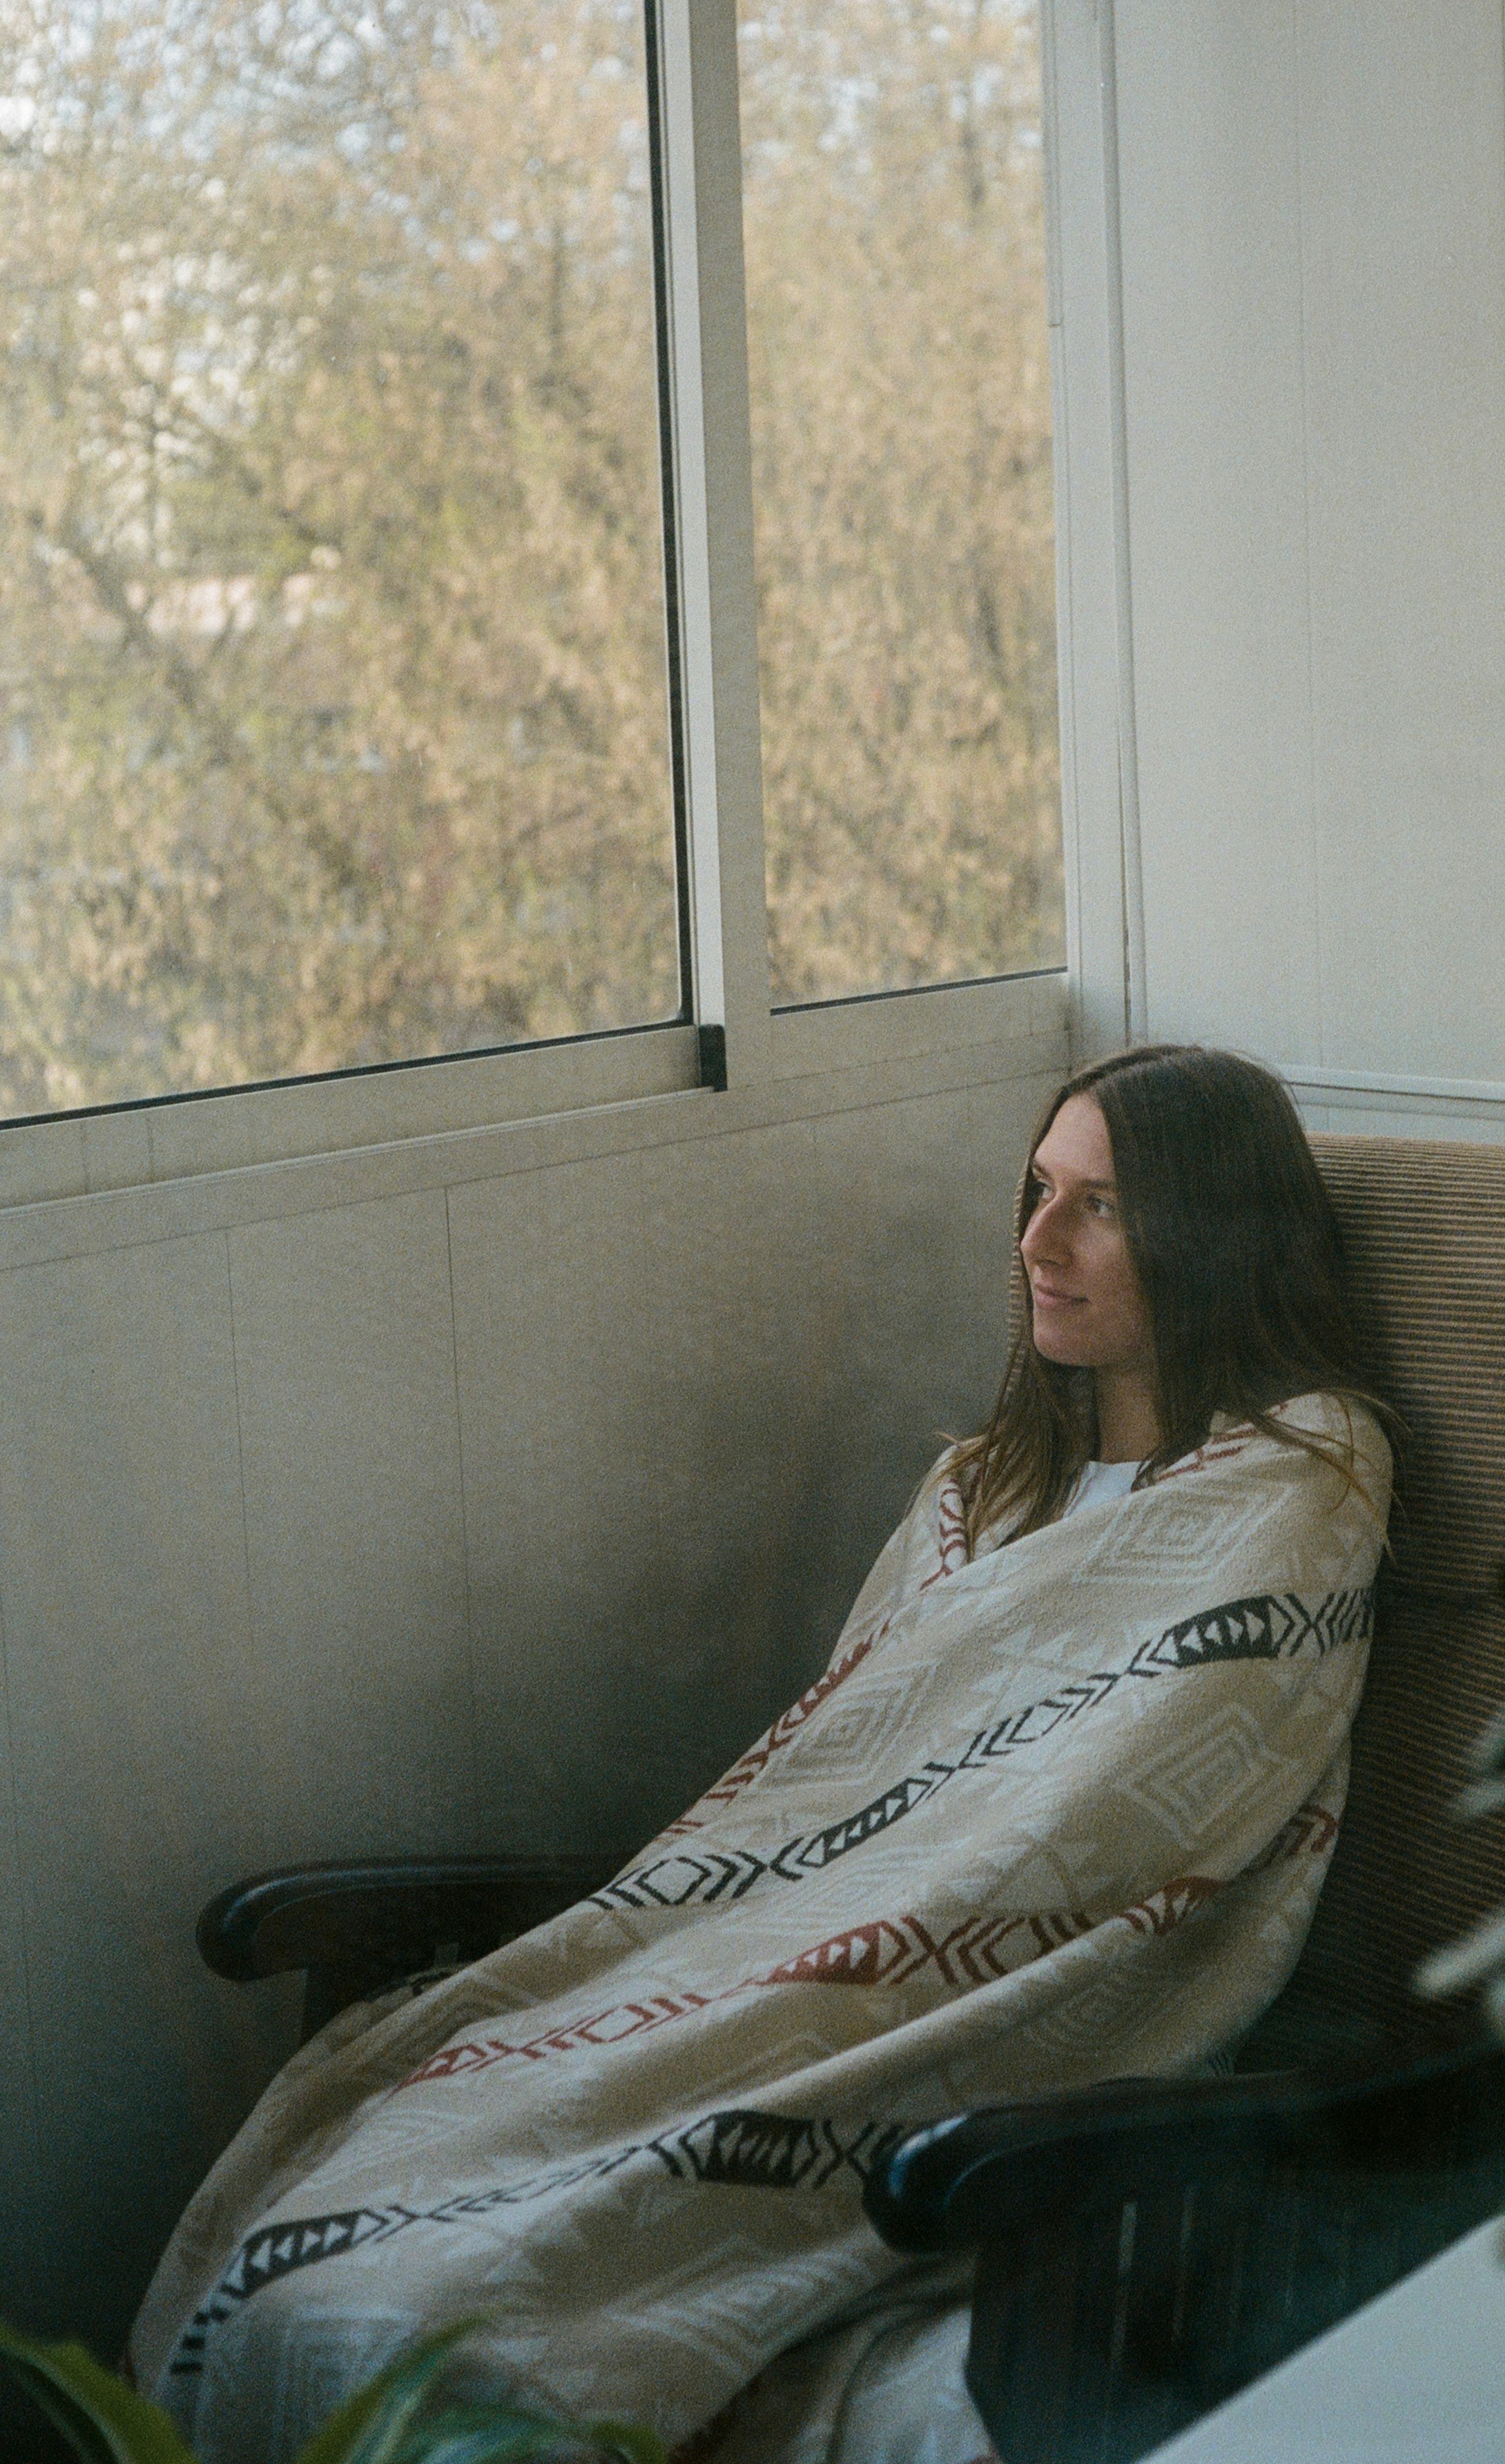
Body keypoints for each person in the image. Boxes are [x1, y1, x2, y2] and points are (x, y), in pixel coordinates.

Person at [133, 1046, 1391, 2464]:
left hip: (955, 1994)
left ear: (1210, 1232)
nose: (1037, 1241)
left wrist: (851, 1961)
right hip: (773, 1947)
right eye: (1036, 1189)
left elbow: (1133, 1809)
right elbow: (838, 1778)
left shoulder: (1305, 1473)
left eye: (1099, 1205)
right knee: (314, 2237)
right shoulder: (977, 1488)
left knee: (439, 2309)